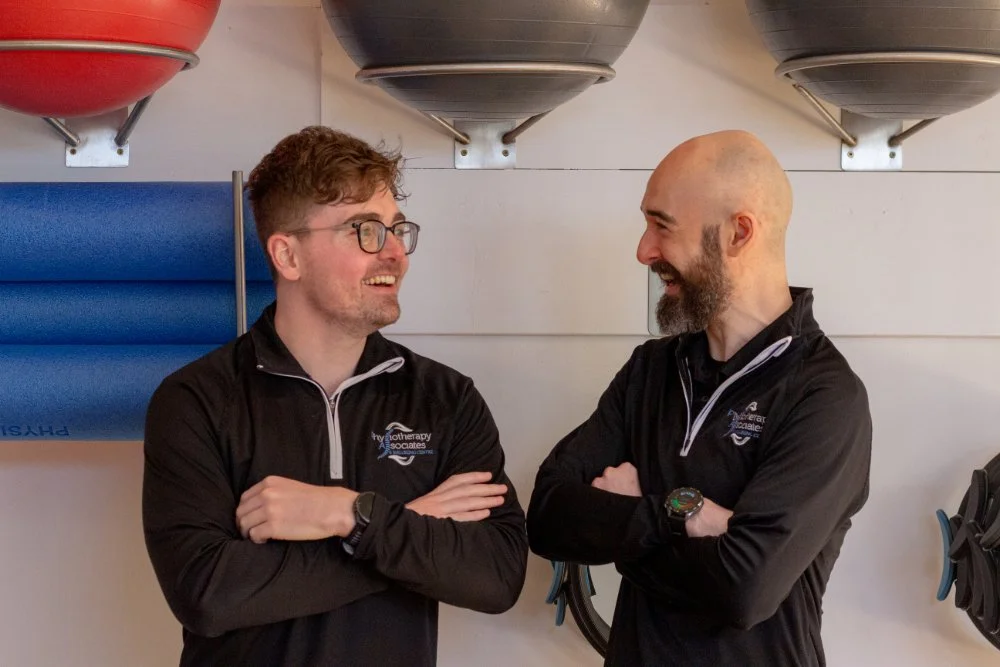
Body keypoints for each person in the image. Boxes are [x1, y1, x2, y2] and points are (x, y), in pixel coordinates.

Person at [142, 126, 528, 666]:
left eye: (397, 229)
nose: (395, 253)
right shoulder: (196, 401)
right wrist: (408, 524)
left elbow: (496, 576)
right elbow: (209, 595)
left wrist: (352, 515)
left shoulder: (445, 398)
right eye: (364, 230)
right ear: (287, 255)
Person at [527, 130, 872, 666]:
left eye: (662, 225)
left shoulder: (824, 396)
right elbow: (547, 516)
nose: (644, 250)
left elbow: (744, 590)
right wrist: (675, 513)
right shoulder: (652, 370)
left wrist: (622, 529)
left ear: (738, 233)